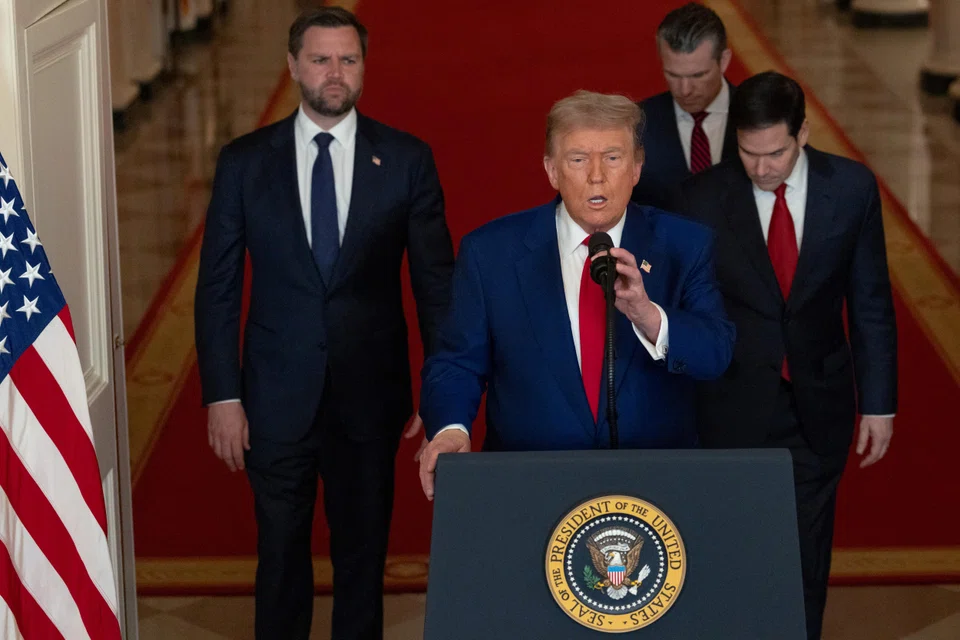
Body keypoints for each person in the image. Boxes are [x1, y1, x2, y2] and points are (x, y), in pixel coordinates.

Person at [193, 7, 454, 639]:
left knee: (363, 558)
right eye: (320, 59)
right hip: (274, 397)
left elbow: (436, 286)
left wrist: (440, 390)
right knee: (281, 555)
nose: (334, 73)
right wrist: (223, 395)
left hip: (370, 396)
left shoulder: (407, 159)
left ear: (363, 66)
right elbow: (218, 287)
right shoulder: (244, 162)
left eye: (348, 59)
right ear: (292, 66)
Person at [417, 90, 735, 500]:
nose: (597, 176)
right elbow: (456, 362)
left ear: (637, 168)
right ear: (552, 170)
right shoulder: (490, 252)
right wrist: (450, 429)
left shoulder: (684, 245)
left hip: (653, 491)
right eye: (579, 159)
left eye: (613, 158)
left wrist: (648, 315)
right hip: (528, 487)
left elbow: (716, 354)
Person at [674, 71, 897, 640]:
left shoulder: (851, 188)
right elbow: (689, 310)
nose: (762, 167)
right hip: (730, 403)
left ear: (802, 133)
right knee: (730, 553)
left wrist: (878, 404)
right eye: (749, 153)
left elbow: (870, 302)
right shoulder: (703, 197)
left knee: (806, 557)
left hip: (817, 403)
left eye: (775, 152)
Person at [631, 2, 738, 209]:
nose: (685, 90)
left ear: (724, 61)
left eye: (698, 75)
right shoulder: (637, 123)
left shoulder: (760, 115)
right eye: (673, 75)